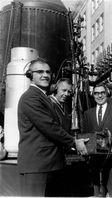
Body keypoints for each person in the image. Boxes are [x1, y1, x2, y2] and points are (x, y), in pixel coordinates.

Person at [17, 58, 88, 196]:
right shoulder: (31, 97)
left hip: (49, 164)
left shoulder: (42, 96)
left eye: (48, 72)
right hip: (37, 166)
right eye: (40, 72)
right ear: (30, 75)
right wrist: (73, 142)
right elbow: (49, 126)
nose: (45, 75)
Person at [81, 83, 112, 197]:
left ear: (107, 93)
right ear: (93, 95)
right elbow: (86, 134)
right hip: (96, 162)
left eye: (102, 92)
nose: (99, 96)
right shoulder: (88, 114)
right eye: (96, 93)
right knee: (99, 195)